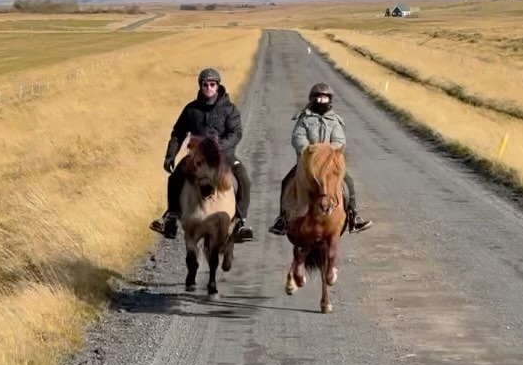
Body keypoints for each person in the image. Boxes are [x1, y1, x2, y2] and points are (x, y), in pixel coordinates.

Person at [150, 68, 254, 242]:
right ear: (200, 86)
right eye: (205, 85)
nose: (208, 88)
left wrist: (219, 146)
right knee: (175, 177)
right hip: (196, 157)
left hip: (224, 156)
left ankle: (240, 222)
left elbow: (236, 133)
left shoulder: (229, 109)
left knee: (244, 179)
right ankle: (171, 217)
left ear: (218, 86)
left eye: (212, 84)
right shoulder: (191, 109)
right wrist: (170, 155)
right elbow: (178, 133)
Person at [268, 82, 373, 236]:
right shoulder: (303, 119)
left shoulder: (335, 121)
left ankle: (353, 217)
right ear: (312, 99)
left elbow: (340, 141)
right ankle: (283, 218)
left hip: (330, 165)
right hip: (307, 164)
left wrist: (328, 152)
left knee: (348, 182)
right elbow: (298, 138)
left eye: (325, 98)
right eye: (319, 98)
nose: (322, 101)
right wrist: (310, 151)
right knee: (286, 181)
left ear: (329, 100)